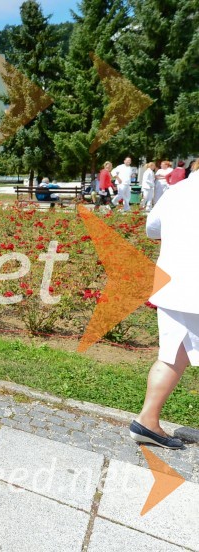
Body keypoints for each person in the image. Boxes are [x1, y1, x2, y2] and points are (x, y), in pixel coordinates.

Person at [130, 159, 199, 450]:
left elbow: (151, 229)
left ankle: (147, 420)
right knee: (173, 354)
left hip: (173, 284)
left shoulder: (178, 189)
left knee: (171, 355)